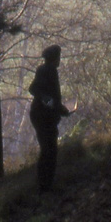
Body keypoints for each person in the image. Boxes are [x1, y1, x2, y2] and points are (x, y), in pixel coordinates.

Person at [27, 45, 71, 192]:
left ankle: (43, 184)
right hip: (44, 117)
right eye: (59, 57)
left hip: (39, 115)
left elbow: (35, 90)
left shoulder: (42, 70)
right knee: (49, 150)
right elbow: (46, 97)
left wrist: (55, 106)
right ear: (55, 58)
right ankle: (46, 185)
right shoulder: (50, 71)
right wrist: (57, 107)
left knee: (47, 149)